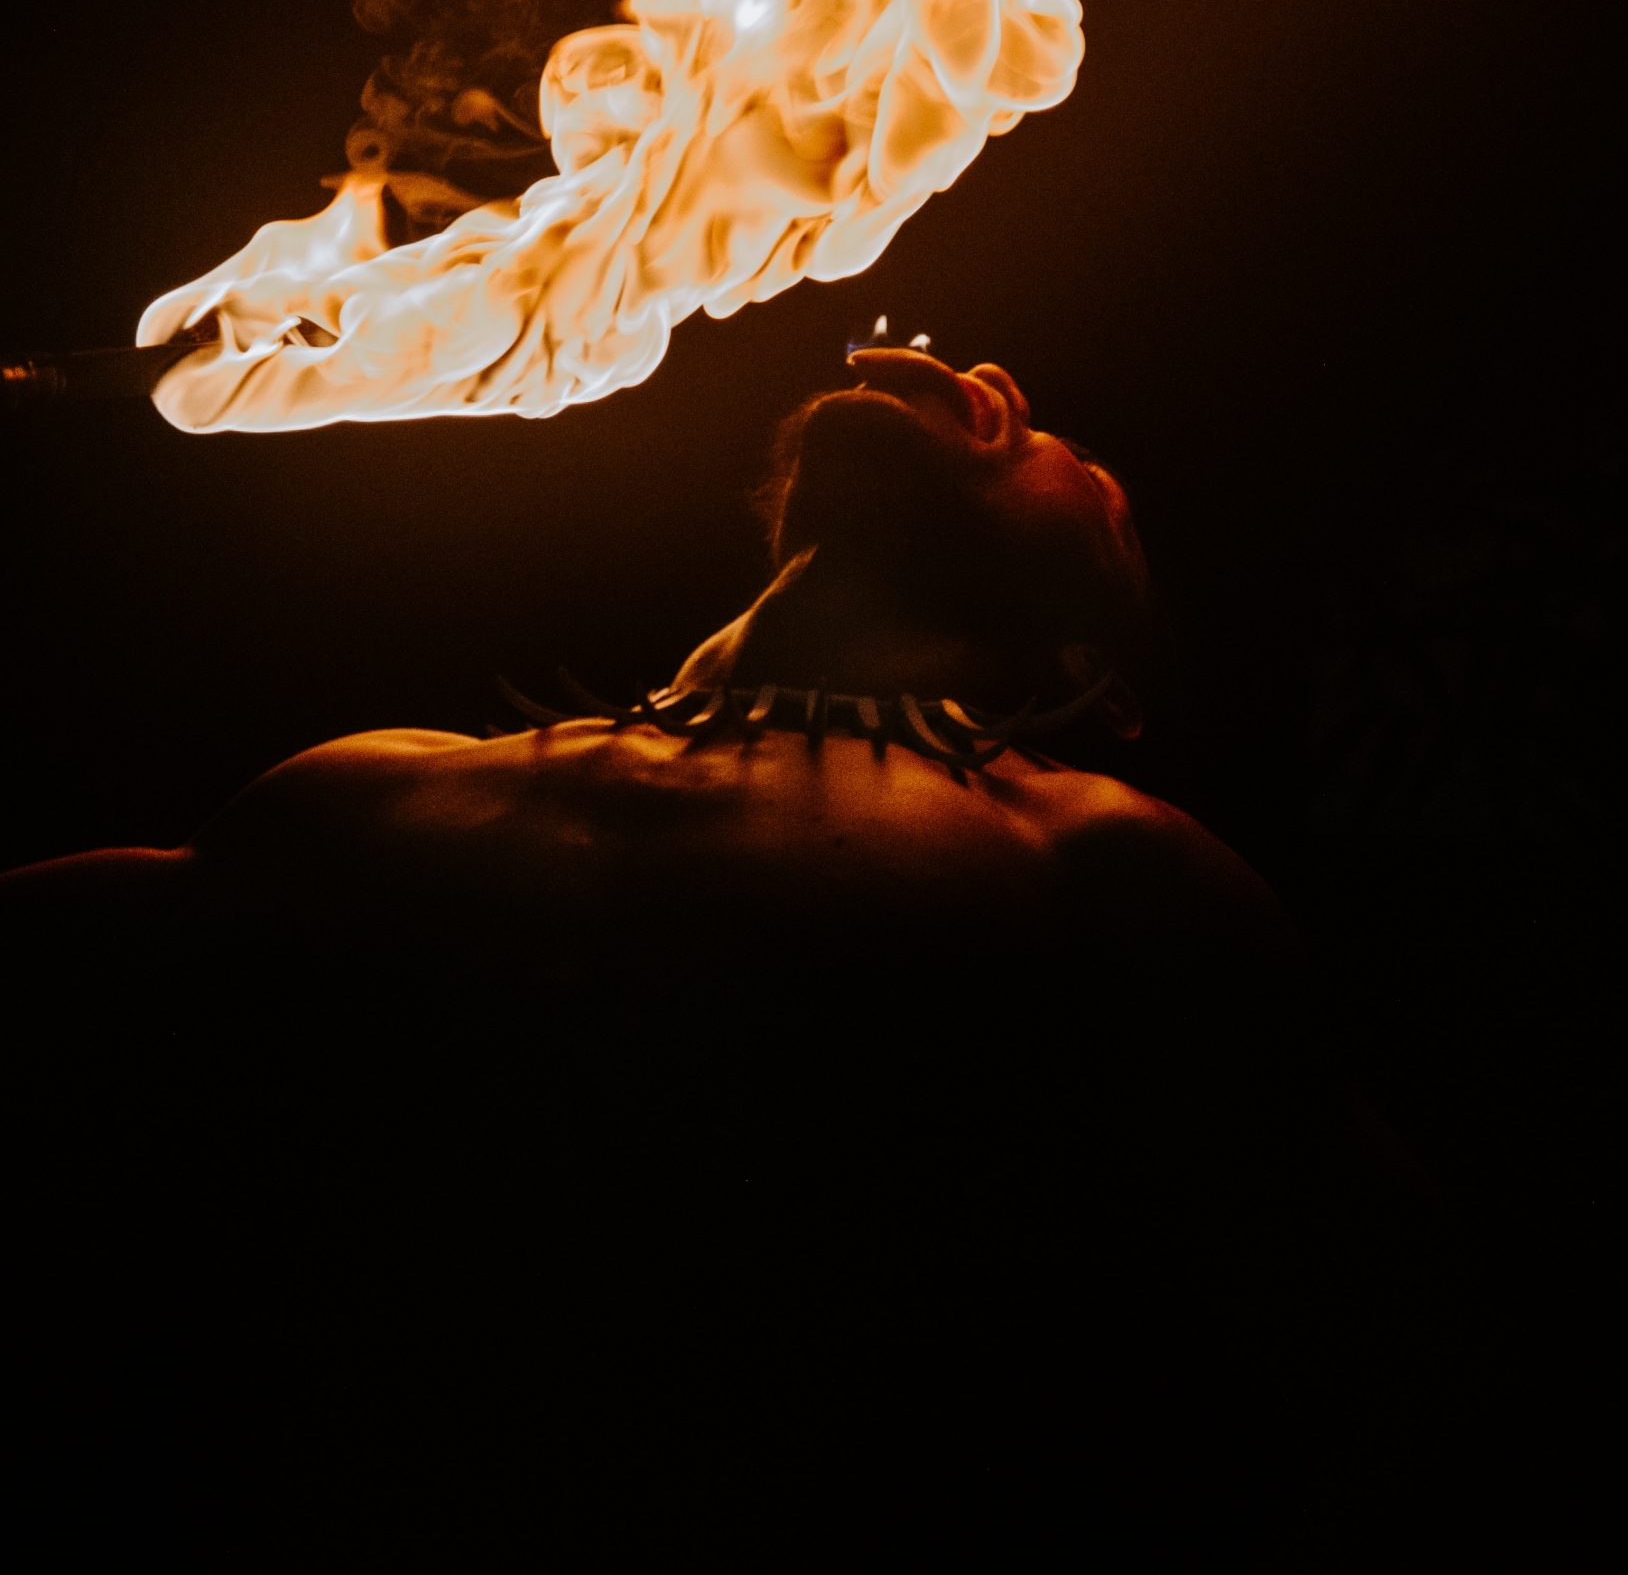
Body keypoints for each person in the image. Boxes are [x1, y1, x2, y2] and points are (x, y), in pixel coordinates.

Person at [4, 346, 1454, 1521]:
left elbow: (1378, 1358)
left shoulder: (1109, 873)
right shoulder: (365, 790)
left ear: (1092, 667)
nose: (1002, 383)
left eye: (1100, 483)